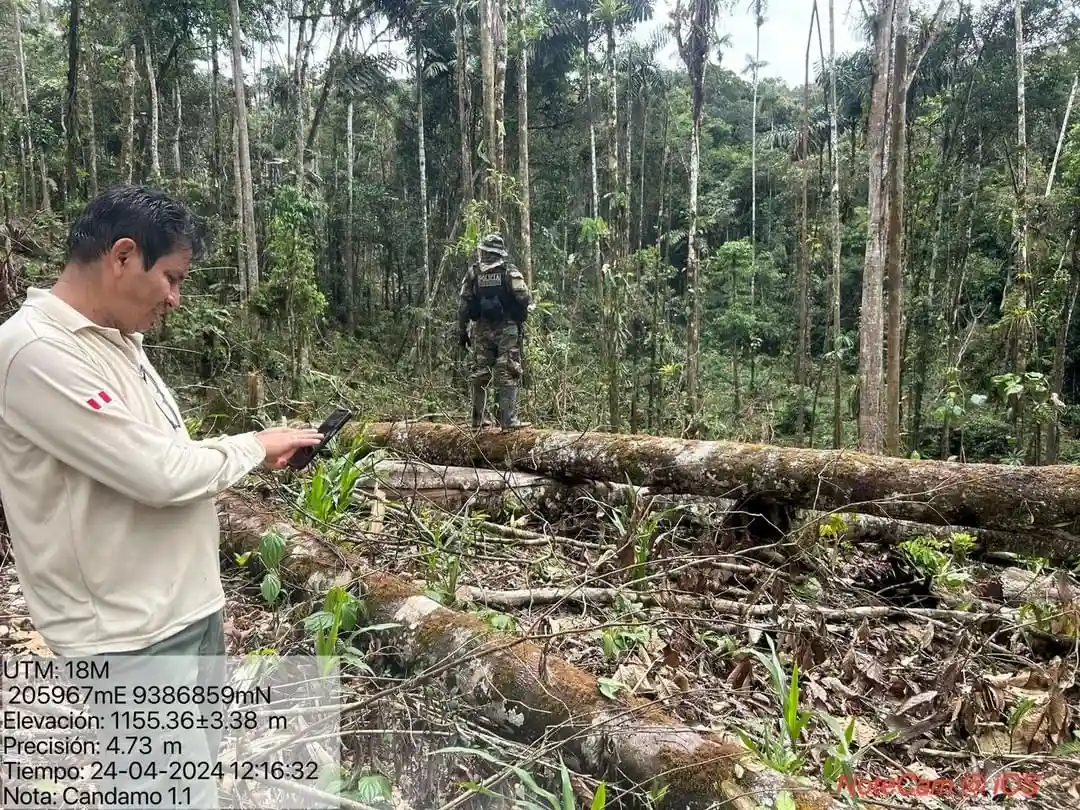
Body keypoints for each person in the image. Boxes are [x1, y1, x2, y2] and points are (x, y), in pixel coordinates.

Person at [0, 185, 324, 807]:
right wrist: (255, 444)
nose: (175, 299)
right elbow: (158, 473)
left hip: (185, 607)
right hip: (129, 633)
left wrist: (255, 447)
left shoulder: (117, 340)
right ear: (122, 257)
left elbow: (160, 454)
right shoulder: (35, 351)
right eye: (171, 279)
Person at [457, 232, 531, 429]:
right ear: (500, 253)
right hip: (506, 328)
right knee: (507, 370)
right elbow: (524, 297)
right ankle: (508, 421)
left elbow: (464, 305)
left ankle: (477, 420)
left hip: (481, 329)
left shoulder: (473, 273)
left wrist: (462, 330)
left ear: (484, 251)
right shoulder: (509, 271)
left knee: (480, 373)